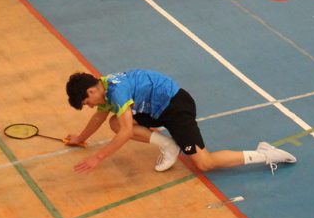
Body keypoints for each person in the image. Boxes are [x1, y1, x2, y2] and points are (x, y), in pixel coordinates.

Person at [65, 69, 296, 174]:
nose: (90, 106)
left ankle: (266, 154)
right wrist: (80, 138)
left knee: (205, 163)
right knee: (114, 122)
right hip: (154, 107)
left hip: (175, 107)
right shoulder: (105, 85)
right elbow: (99, 117)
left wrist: (97, 158)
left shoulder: (117, 92)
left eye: (86, 102)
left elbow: (126, 133)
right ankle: (169, 145)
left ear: (92, 91)